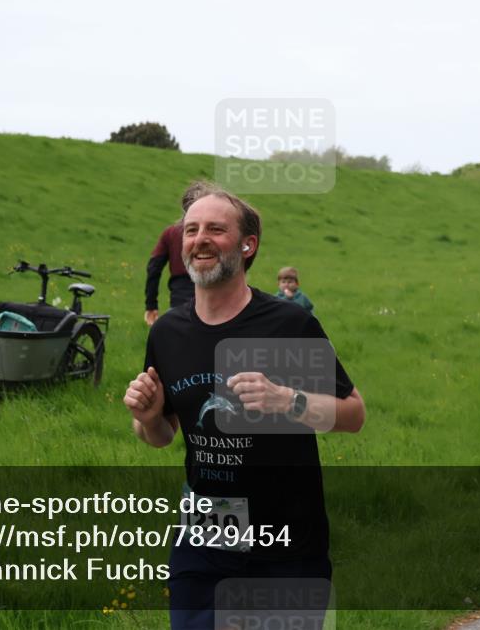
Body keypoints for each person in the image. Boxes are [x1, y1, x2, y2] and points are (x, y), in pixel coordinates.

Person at [123, 183, 365, 629]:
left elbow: (353, 414)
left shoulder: (289, 325)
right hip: (205, 535)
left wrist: (288, 400)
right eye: (191, 230)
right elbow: (161, 436)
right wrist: (149, 418)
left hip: (286, 540)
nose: (200, 239)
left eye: (216, 229)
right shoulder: (168, 333)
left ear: (247, 245)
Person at [144, 185, 207, 326]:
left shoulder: (171, 233)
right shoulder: (217, 233)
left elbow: (154, 268)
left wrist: (151, 305)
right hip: (214, 302)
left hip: (180, 301)